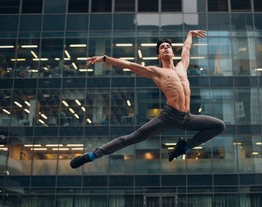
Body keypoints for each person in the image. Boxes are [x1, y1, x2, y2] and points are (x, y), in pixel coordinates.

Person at [70, 30, 226, 169]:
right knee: (132, 138)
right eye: (162, 47)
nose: (165, 48)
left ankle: (184, 147)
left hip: (187, 117)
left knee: (219, 126)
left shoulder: (182, 67)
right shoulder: (156, 72)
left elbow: (186, 48)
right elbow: (129, 65)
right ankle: (91, 156)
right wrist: (105, 58)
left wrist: (190, 34)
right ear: (159, 55)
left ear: (172, 52)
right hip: (169, 116)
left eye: (168, 46)